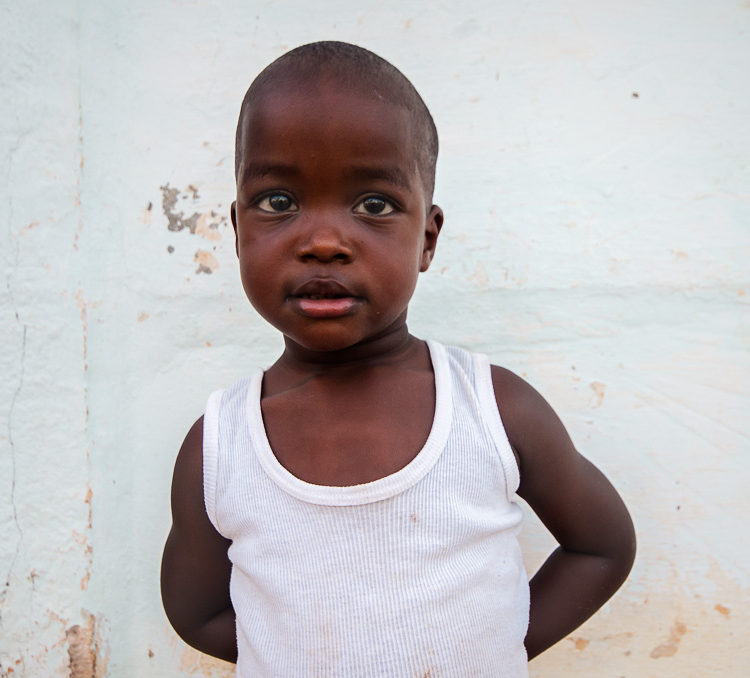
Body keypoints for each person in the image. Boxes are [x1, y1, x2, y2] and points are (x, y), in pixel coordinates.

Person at [161, 41, 635, 677]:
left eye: (374, 205)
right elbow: (197, 615)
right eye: (278, 201)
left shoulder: (493, 410)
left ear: (427, 240)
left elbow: (602, 547)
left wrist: (498, 649)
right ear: (239, 230)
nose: (324, 241)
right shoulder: (219, 450)